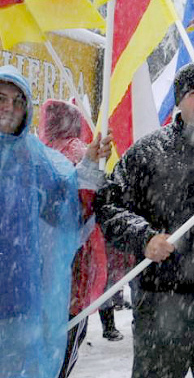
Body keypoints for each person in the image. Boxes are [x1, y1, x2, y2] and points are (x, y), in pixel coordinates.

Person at [95, 61, 194, 378]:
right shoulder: (147, 153)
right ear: (179, 100)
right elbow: (107, 205)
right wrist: (143, 238)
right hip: (161, 305)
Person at [0, 65, 109, 377]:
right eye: (1, 98)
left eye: (17, 101)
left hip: (19, 300)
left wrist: (89, 162)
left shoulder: (32, 157)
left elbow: (64, 203)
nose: (9, 107)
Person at [38, 98, 115, 375]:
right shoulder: (82, 152)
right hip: (75, 268)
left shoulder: (39, 154)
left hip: (46, 269)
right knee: (65, 345)